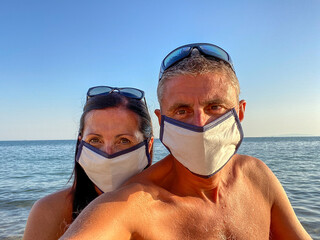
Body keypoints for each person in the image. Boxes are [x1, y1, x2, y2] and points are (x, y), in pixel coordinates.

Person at [61, 43, 311, 240]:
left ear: (240, 112)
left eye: (215, 107)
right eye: (182, 110)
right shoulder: (132, 205)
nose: (200, 124)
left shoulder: (258, 177)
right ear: (162, 120)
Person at [23, 86, 154, 240]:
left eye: (123, 140)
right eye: (95, 140)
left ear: (148, 144)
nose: (108, 153)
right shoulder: (49, 210)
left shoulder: (168, 209)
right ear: (81, 143)